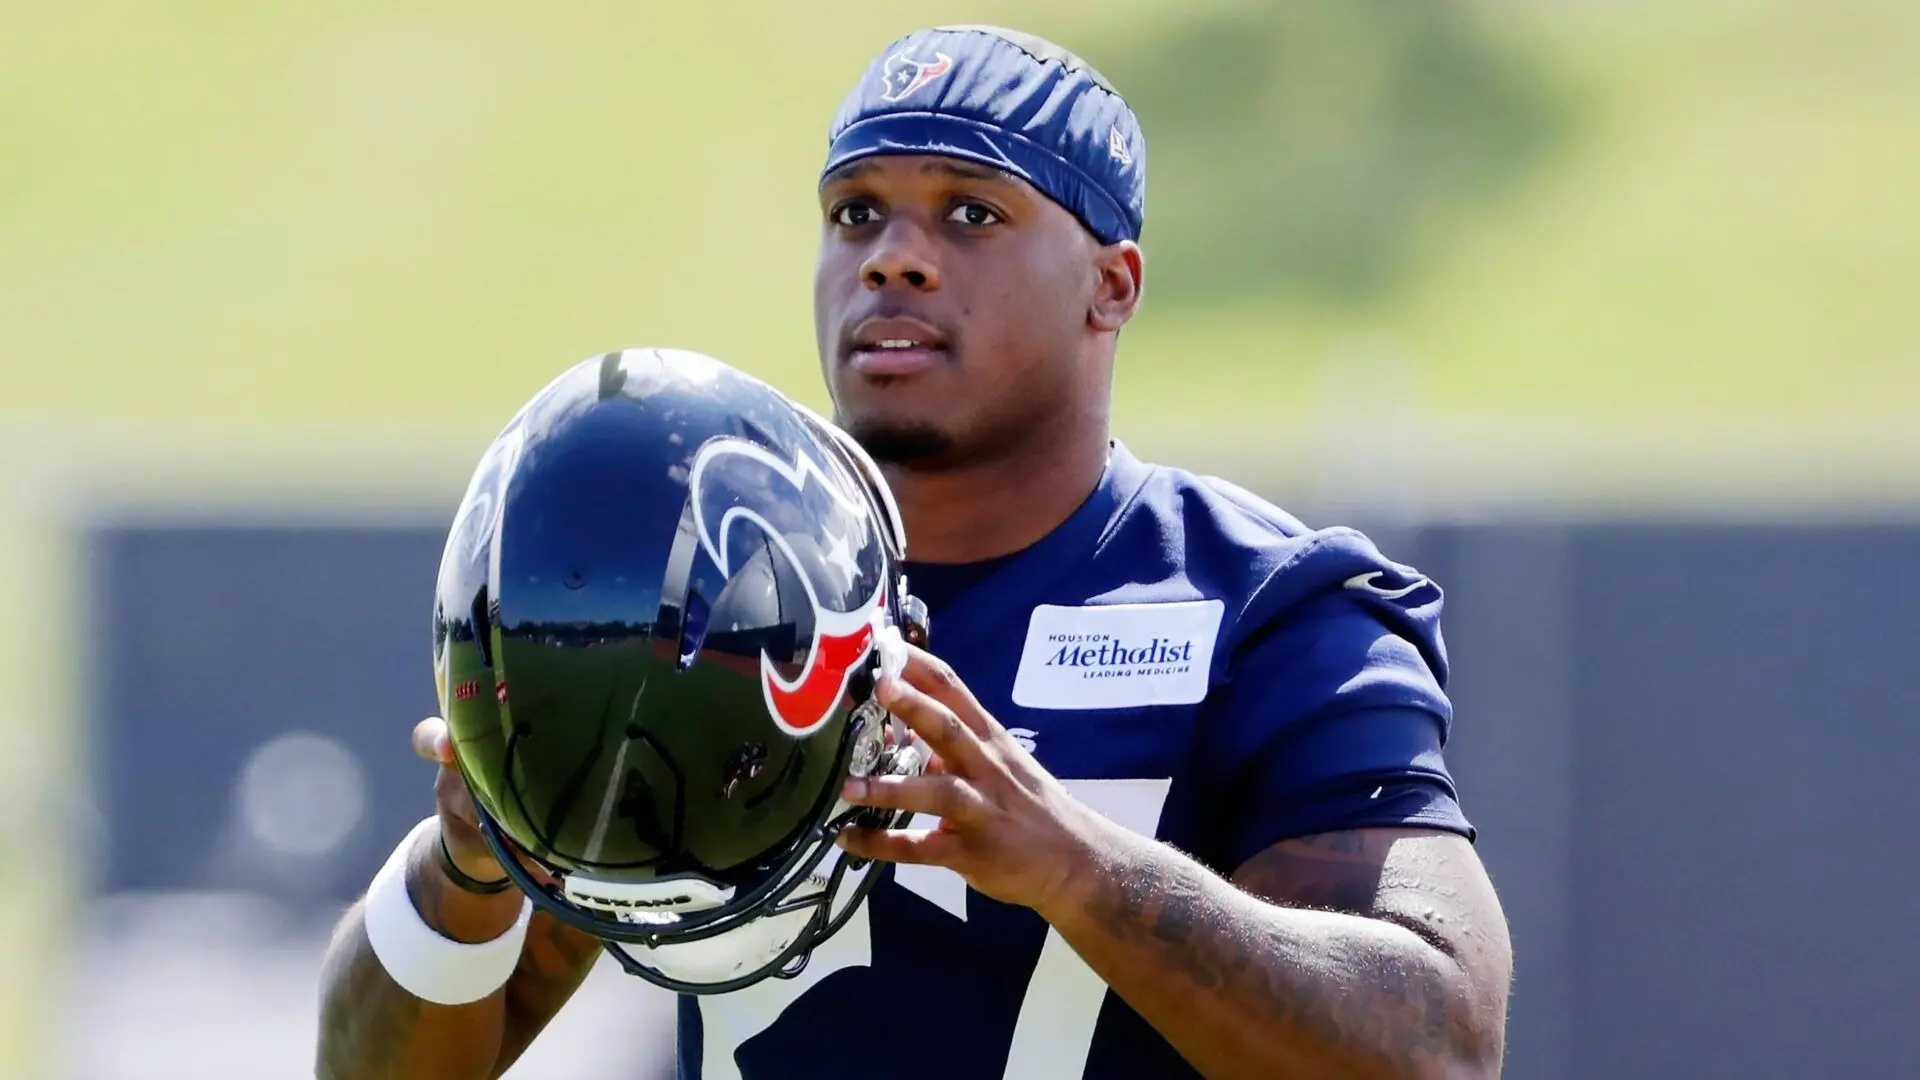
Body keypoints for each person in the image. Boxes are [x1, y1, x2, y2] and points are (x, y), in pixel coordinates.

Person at [316, 23, 1513, 1080]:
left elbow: (1439, 1048)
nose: (892, 255)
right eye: (856, 213)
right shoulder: (718, 584)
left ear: (1111, 285)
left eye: (971, 212)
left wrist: (1075, 869)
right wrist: (468, 867)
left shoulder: (1269, 608)